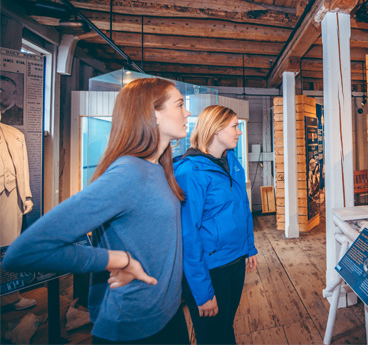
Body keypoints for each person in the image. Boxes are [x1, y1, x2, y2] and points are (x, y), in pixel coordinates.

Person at [3, 77, 191, 343]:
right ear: (153, 114)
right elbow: (26, 250)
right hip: (136, 327)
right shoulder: (129, 172)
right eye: (180, 104)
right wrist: (119, 260)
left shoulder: (159, 167)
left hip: (168, 312)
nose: (188, 112)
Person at [174, 105, 258, 345]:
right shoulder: (191, 171)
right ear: (215, 129)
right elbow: (188, 235)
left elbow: (242, 208)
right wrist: (202, 293)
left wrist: (249, 248)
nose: (239, 132)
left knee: (224, 328)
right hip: (211, 270)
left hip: (235, 261)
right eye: (234, 126)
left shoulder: (231, 161)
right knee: (211, 337)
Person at [0, 112, 36, 311]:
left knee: (8, 246)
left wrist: (27, 196)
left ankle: (10, 298)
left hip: (10, 195)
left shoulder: (14, 134)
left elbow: (22, 167)